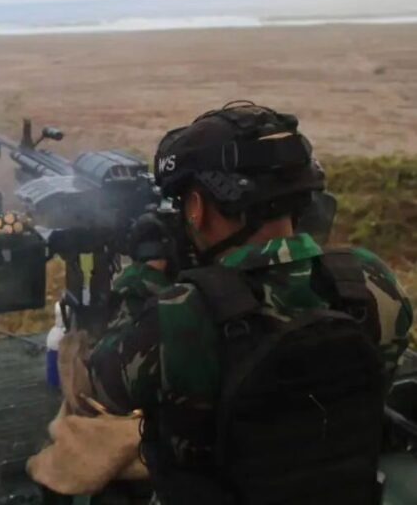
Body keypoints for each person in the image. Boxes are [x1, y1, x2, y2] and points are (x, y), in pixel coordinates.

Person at [84, 102, 413, 504]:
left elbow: (104, 384)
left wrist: (144, 275)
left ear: (197, 207)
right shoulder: (368, 281)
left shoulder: (182, 314)